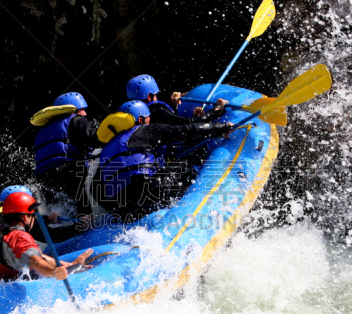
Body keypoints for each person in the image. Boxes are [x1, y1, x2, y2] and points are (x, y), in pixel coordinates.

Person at [92, 100, 233, 220]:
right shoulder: (144, 130)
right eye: (148, 118)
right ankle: (203, 206)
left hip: (123, 209)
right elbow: (187, 130)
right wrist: (221, 127)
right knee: (183, 166)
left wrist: (117, 213)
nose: (150, 121)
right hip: (147, 193)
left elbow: (95, 189)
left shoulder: (106, 150)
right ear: (140, 120)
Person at [0, 192, 93, 283]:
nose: (34, 220)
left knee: (74, 266)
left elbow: (39, 257)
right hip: (17, 295)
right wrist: (54, 272)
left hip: (0, 288)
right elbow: (35, 262)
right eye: (33, 216)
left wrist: (70, 264)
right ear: (25, 217)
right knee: (80, 269)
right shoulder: (19, 237)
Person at [34, 92, 100, 206]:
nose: (85, 113)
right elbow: (95, 139)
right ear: (74, 110)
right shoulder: (75, 119)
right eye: (82, 109)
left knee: (59, 212)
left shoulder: (41, 131)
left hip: (43, 178)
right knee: (82, 211)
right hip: (66, 172)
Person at [126, 74, 228, 125]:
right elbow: (190, 124)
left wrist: (173, 104)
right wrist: (217, 110)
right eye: (156, 95)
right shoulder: (156, 111)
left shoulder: (134, 113)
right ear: (149, 96)